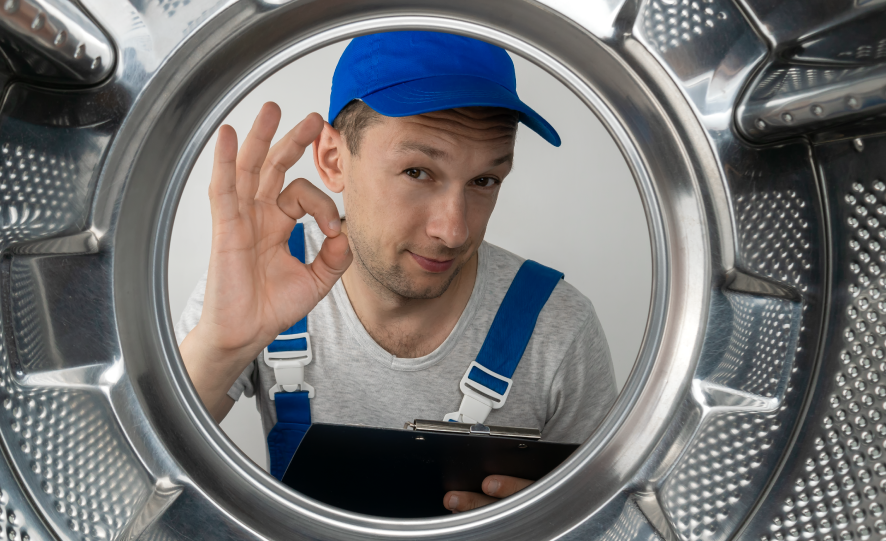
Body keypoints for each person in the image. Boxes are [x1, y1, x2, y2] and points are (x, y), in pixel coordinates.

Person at [176, 31, 617, 513]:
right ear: (332, 159)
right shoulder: (261, 282)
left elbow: (615, 520)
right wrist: (219, 346)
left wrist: (558, 525)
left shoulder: (560, 328)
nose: (453, 230)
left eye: (484, 181)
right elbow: (128, 483)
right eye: (417, 172)